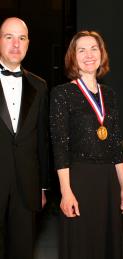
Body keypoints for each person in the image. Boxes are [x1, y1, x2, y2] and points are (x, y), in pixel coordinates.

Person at [50, 30, 123, 259]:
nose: (89, 54)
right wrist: (66, 192)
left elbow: (115, 144)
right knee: (81, 246)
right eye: (81, 49)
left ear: (102, 54)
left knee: (107, 245)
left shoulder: (110, 94)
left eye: (94, 48)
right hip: (78, 180)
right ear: (72, 57)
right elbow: (60, 145)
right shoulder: (61, 94)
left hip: (108, 181)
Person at [0, 17, 48, 259]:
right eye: (9, 37)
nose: (15, 44)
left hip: (26, 184)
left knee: (22, 250)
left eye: (21, 38)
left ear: (28, 43)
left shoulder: (39, 86)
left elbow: (42, 140)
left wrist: (42, 185)